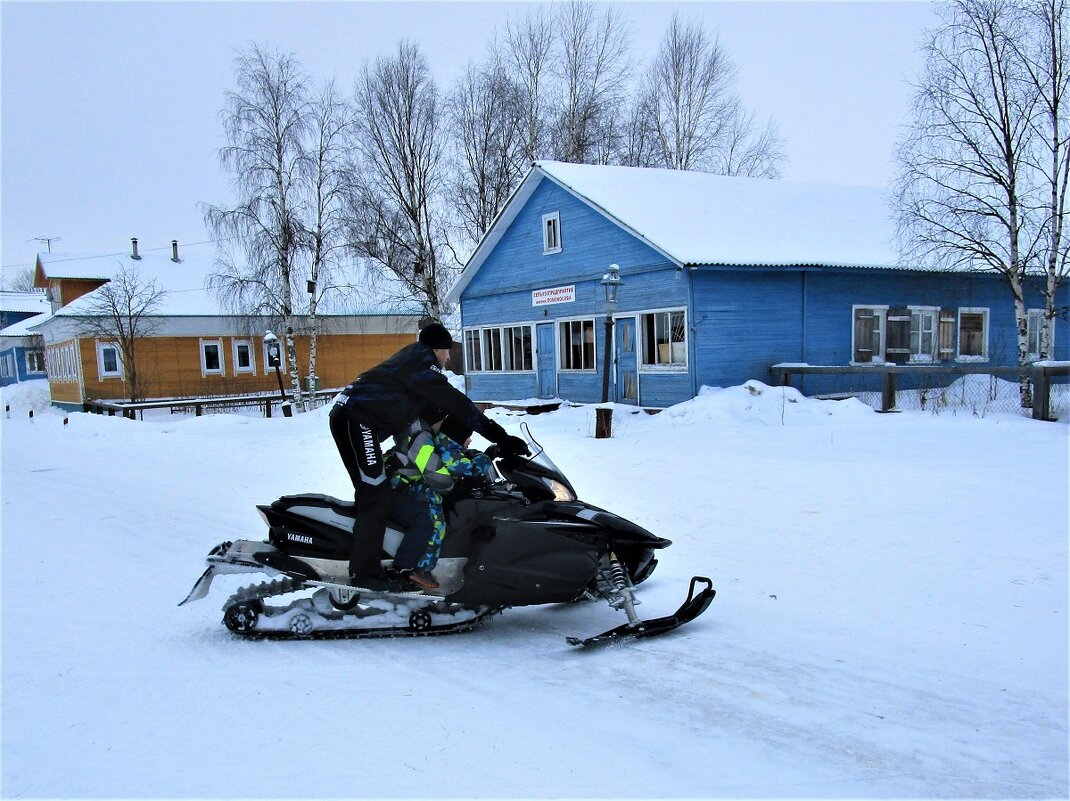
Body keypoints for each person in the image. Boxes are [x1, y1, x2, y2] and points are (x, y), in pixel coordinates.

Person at [329, 322, 528, 586]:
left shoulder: (415, 365)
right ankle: (364, 574)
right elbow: (459, 405)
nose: (448, 357)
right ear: (437, 348)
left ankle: (376, 560)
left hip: (355, 418)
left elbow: (442, 412)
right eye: (447, 351)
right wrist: (501, 437)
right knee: (374, 494)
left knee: (377, 493)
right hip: (355, 420)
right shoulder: (421, 365)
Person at [388, 416, 495, 591]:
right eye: (468, 436)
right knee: (435, 523)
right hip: (404, 488)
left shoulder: (444, 443)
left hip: (406, 485)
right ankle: (419, 568)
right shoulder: (445, 445)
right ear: (458, 435)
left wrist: (474, 454)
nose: (470, 439)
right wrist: (486, 458)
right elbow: (462, 467)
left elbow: (458, 458)